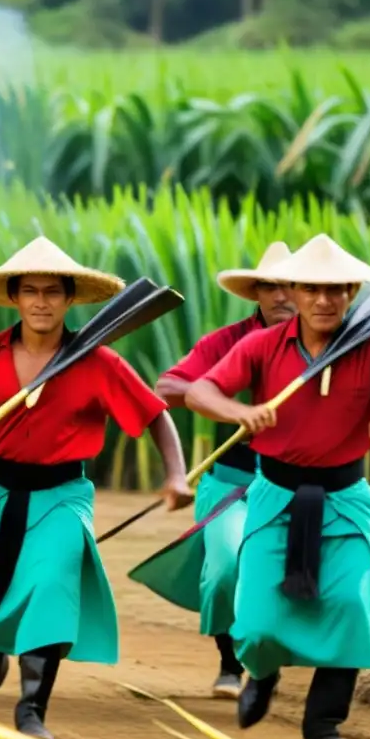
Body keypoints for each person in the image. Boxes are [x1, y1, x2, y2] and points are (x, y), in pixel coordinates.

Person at [185, 234, 370, 739]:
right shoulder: (261, 346)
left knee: (349, 605)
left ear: (352, 292)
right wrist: (239, 413)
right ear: (294, 289)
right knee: (256, 621)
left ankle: (323, 724)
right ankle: (262, 673)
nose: (324, 300)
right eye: (313, 289)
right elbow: (201, 390)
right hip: (273, 496)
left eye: (337, 290)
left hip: (346, 498)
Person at [0, 236, 193, 739]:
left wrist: (176, 475)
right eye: (30, 292)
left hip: (62, 495)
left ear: (69, 300)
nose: (41, 302)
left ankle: (31, 708)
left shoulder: (98, 361)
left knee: (53, 585)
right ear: (15, 298)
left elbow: (156, 416)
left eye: (52, 292)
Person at [133, 242, 296, 700]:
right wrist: (234, 411)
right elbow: (168, 386)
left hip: (297, 485)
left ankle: (267, 662)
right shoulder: (229, 341)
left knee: (284, 576)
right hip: (231, 482)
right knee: (225, 566)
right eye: (270, 286)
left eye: (290, 284)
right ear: (256, 294)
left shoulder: (323, 342)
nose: (281, 294)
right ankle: (229, 663)